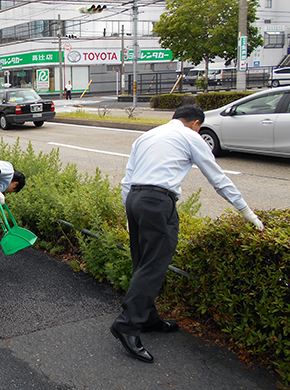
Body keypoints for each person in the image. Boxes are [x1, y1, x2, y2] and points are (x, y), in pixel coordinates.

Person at [110, 104, 264, 363]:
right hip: (158, 202)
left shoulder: (146, 136)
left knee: (143, 261)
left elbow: (128, 179)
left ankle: (146, 317)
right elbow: (217, 178)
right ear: (195, 123)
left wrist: (129, 215)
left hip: (135, 199)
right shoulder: (191, 136)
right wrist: (246, 212)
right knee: (155, 264)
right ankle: (127, 324)